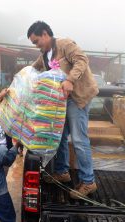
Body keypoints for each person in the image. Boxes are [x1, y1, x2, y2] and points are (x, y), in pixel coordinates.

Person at [27, 21, 99, 199]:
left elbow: (82, 60)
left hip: (77, 97)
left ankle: (88, 182)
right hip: (62, 101)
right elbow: (32, 69)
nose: (37, 46)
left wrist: (70, 80)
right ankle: (62, 172)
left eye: (37, 41)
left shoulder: (64, 44)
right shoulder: (45, 54)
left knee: (79, 139)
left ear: (45, 34)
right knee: (58, 136)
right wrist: (21, 80)